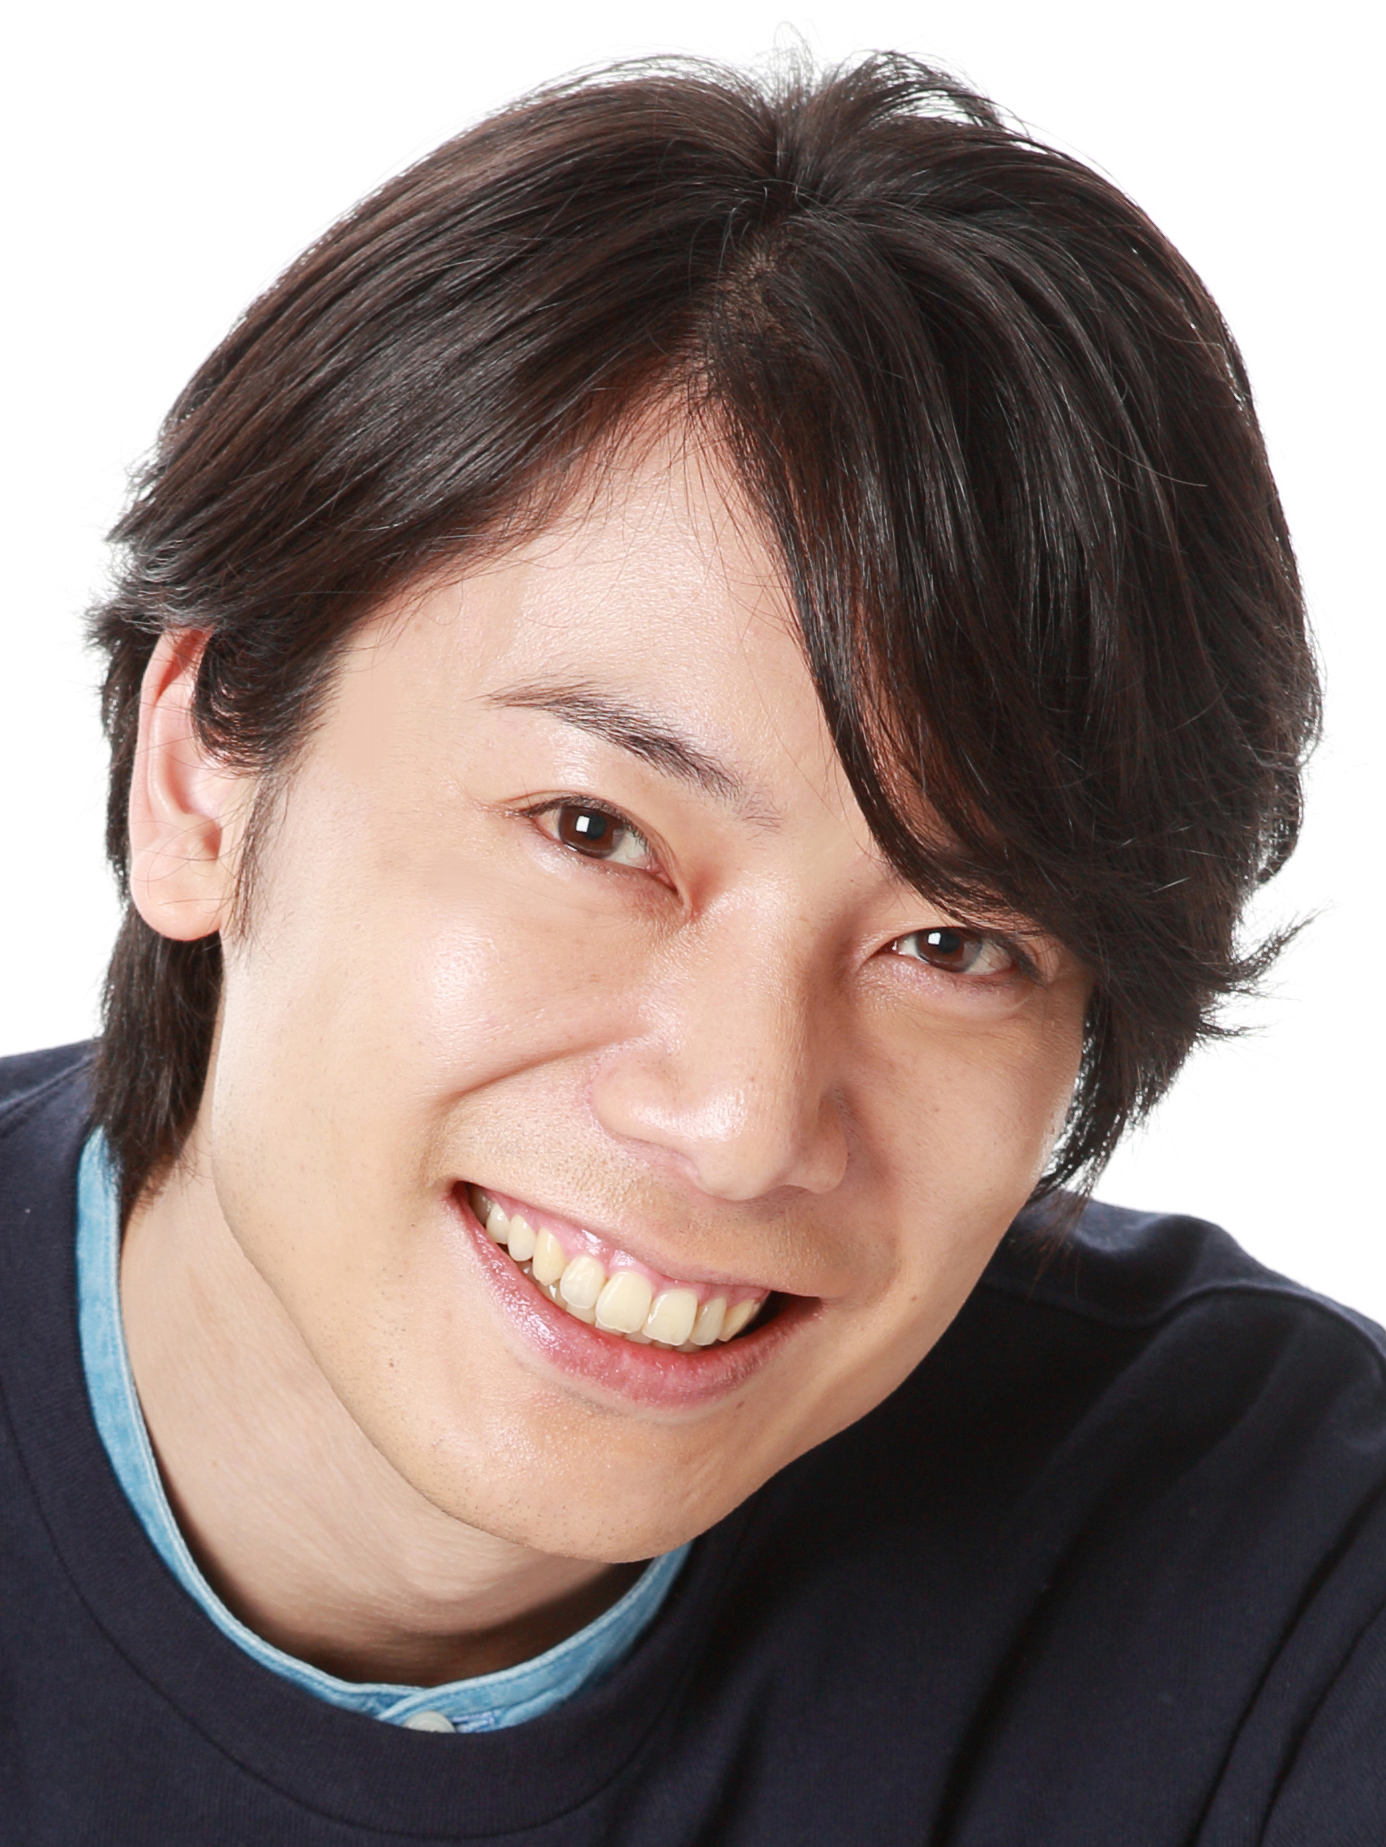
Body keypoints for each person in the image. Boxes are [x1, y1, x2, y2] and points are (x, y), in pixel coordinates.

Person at [0, 49, 1379, 1844]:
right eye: (596, 834)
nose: (738, 1120)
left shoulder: (1284, 1583)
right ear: (197, 776)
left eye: (954, 944)